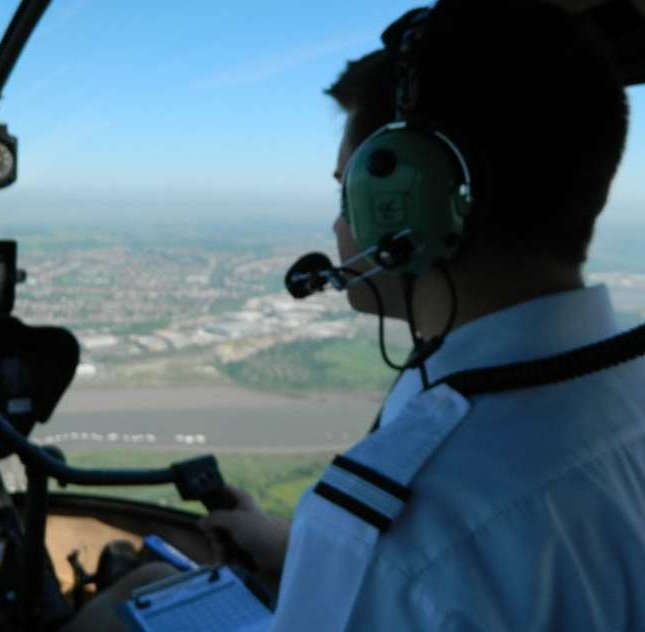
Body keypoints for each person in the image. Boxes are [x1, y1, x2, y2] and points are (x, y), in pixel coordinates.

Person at [66, 0, 645, 629]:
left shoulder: (418, 514)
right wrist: (308, 552)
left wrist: (343, 542)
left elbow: (425, 564)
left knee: (137, 596)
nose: (338, 226)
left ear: (407, 213)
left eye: (349, 192)